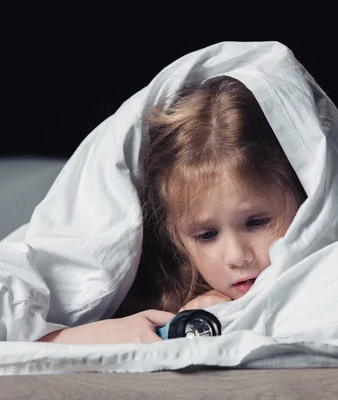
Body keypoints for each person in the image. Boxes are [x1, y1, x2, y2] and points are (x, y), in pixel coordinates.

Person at [38, 76, 307, 344]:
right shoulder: (154, 304)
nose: (237, 256)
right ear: (175, 237)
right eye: (207, 235)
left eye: (257, 222)